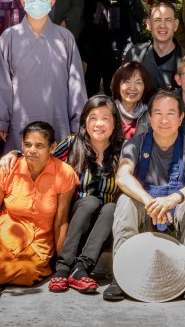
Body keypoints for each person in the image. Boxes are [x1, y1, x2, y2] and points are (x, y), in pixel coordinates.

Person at [104, 90, 185, 301]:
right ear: (150, 118)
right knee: (126, 199)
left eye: (170, 113)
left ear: (180, 118)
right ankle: (121, 271)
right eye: (158, 113)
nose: (164, 120)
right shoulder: (134, 144)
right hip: (146, 217)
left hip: (176, 220)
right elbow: (122, 177)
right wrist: (149, 201)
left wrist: (173, 199)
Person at [0, 121, 78, 287]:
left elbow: (61, 222)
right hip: (4, 234)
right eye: (27, 145)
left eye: (39, 146)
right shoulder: (8, 168)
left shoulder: (64, 172)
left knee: (28, 273)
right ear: (21, 145)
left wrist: (62, 266)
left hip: (39, 240)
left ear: (53, 147)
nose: (32, 150)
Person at [0, 0, 87, 149]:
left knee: (57, 159)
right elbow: (1, 83)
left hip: (57, 117)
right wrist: (0, 120)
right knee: (21, 160)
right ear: (23, 2)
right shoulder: (9, 37)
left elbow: (76, 83)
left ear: (52, 2)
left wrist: (78, 120)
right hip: (20, 119)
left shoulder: (65, 37)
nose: (37, 0)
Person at [48, 97, 125, 293]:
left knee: (112, 207)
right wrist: (14, 154)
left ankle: (81, 268)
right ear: (85, 122)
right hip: (77, 221)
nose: (99, 124)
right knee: (90, 202)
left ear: (114, 123)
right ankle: (63, 268)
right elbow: (41, 160)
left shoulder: (123, 150)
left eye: (105, 118)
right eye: (93, 118)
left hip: (105, 227)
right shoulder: (72, 144)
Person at [123, 1, 185, 92]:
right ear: (149, 24)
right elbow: (120, 87)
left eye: (168, 20)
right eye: (157, 20)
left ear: (175, 25)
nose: (162, 25)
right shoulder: (134, 54)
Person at [112, 61, 154, 139]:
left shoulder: (149, 116)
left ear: (144, 87)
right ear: (118, 85)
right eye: (127, 82)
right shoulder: (109, 111)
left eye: (138, 83)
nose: (132, 88)